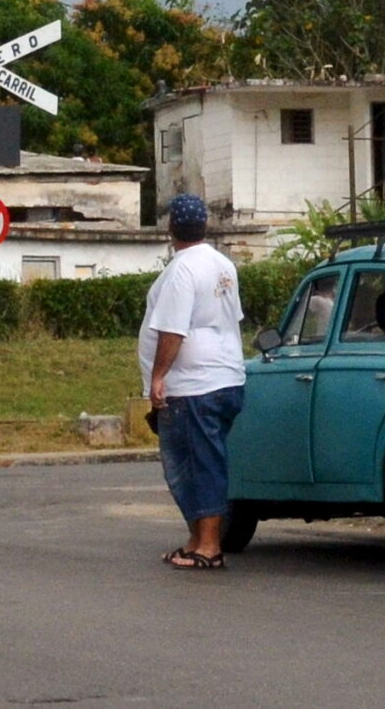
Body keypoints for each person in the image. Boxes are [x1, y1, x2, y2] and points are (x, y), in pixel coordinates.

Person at [140, 193, 244, 570]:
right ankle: (196, 540)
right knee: (201, 460)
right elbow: (231, 318)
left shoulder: (182, 270)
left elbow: (173, 330)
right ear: (205, 226)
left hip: (194, 386)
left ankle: (210, 546)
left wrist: (157, 376)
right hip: (226, 376)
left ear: (171, 229)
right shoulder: (222, 265)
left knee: (197, 465)